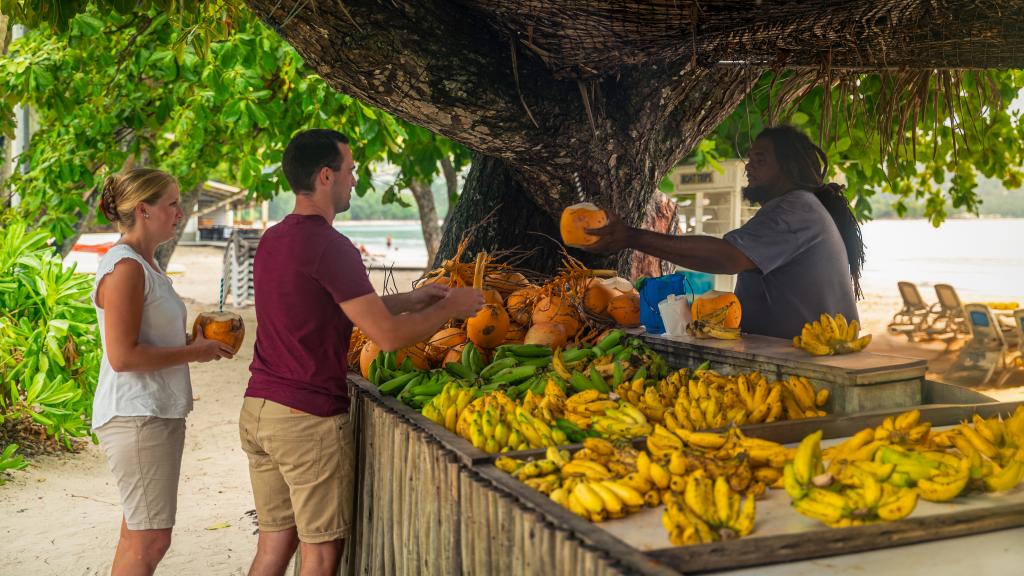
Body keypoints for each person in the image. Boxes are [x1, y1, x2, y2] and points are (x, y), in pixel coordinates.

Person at [240, 129, 483, 576]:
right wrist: (453, 307)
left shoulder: (275, 239)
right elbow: (387, 337)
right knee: (321, 552)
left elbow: (333, 310)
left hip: (260, 409)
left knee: (273, 547)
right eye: (351, 170)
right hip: (305, 419)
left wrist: (414, 299)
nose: (355, 179)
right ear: (327, 176)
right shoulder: (331, 246)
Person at [583, 125, 864, 340]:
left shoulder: (797, 208)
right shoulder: (796, 207)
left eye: (761, 159)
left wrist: (632, 237)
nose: (749, 166)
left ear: (788, 168)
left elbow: (728, 258)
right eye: (749, 159)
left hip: (815, 361)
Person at [92, 168, 236, 576]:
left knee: (137, 533)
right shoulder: (126, 268)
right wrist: (194, 353)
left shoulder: (145, 264)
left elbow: (147, 340)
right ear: (143, 210)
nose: (180, 212)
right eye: (171, 204)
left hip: (152, 412)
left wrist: (192, 343)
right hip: (138, 414)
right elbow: (123, 356)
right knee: (152, 537)